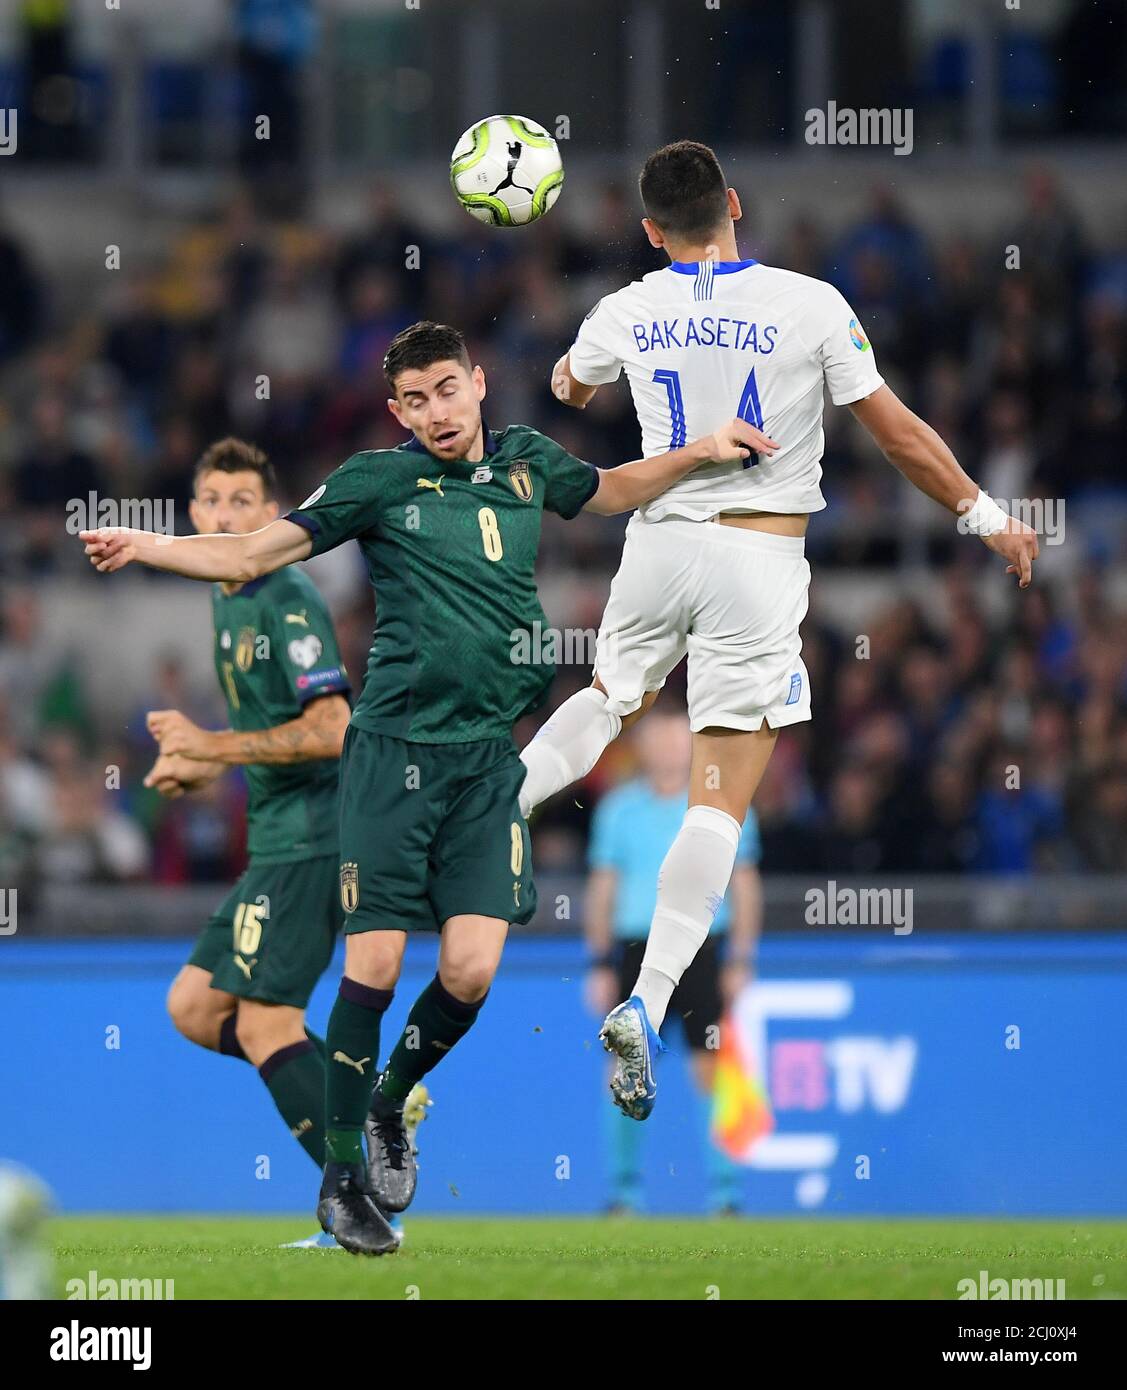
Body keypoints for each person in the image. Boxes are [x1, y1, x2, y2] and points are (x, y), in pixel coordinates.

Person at [81, 320, 775, 1255]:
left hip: (489, 760)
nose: (435, 412)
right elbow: (249, 554)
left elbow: (611, 491)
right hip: (391, 758)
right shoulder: (377, 480)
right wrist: (148, 546)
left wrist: (697, 451)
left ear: (478, 384)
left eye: (448, 389)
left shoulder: (530, 462)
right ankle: (337, 1187)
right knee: (370, 966)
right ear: (395, 411)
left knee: (470, 970)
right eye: (415, 399)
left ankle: (384, 1109)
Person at [519, 139, 1039, 1120]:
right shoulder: (811, 304)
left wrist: (577, 368)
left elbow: (566, 388)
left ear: (647, 231)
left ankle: (500, 805)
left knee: (604, 699)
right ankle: (648, 997)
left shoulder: (626, 308)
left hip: (659, 536)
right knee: (718, 800)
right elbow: (895, 433)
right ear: (734, 204)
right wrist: (982, 514)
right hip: (757, 560)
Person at [144, 438, 353, 1246]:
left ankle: (354, 1200)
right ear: (194, 516)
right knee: (194, 1008)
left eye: (243, 504)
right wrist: (196, 771)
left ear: (271, 516)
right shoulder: (222, 594)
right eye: (213, 503)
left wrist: (210, 747)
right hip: (274, 838)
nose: (227, 516)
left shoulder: (286, 597)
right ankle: (363, 1106)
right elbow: (268, 732)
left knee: (267, 1024)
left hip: (313, 838)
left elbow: (332, 729)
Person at [584, 712, 761, 1213]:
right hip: (634, 948)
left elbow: (744, 885)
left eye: (674, 738)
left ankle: (727, 1193)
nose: (666, 748)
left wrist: (742, 958)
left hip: (703, 949)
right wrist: (599, 962)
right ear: (640, 747)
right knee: (624, 1065)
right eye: (656, 739)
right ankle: (623, 1194)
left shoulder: (721, 804)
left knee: (712, 1068)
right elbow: (603, 889)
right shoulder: (618, 810)